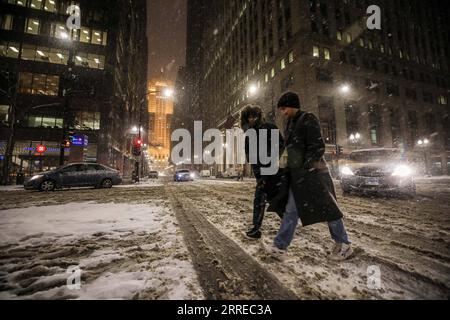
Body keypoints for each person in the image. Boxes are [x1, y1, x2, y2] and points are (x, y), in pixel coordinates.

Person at [266, 92, 353, 261]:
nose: (282, 112)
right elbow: (290, 149)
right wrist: (281, 164)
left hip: (314, 174)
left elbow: (317, 146)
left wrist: (307, 166)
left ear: (292, 105)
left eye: (284, 109)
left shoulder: (308, 118)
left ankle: (344, 244)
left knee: (328, 209)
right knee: (291, 210)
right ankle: (279, 247)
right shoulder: (289, 123)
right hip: (298, 175)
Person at [240, 105, 284, 239]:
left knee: (261, 199)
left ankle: (256, 229)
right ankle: (289, 220)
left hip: (272, 170)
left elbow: (281, 144)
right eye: (249, 117)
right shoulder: (249, 135)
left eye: (254, 116)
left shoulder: (269, 128)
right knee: (273, 199)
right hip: (261, 173)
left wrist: (271, 159)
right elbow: (249, 154)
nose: (252, 119)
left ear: (258, 116)